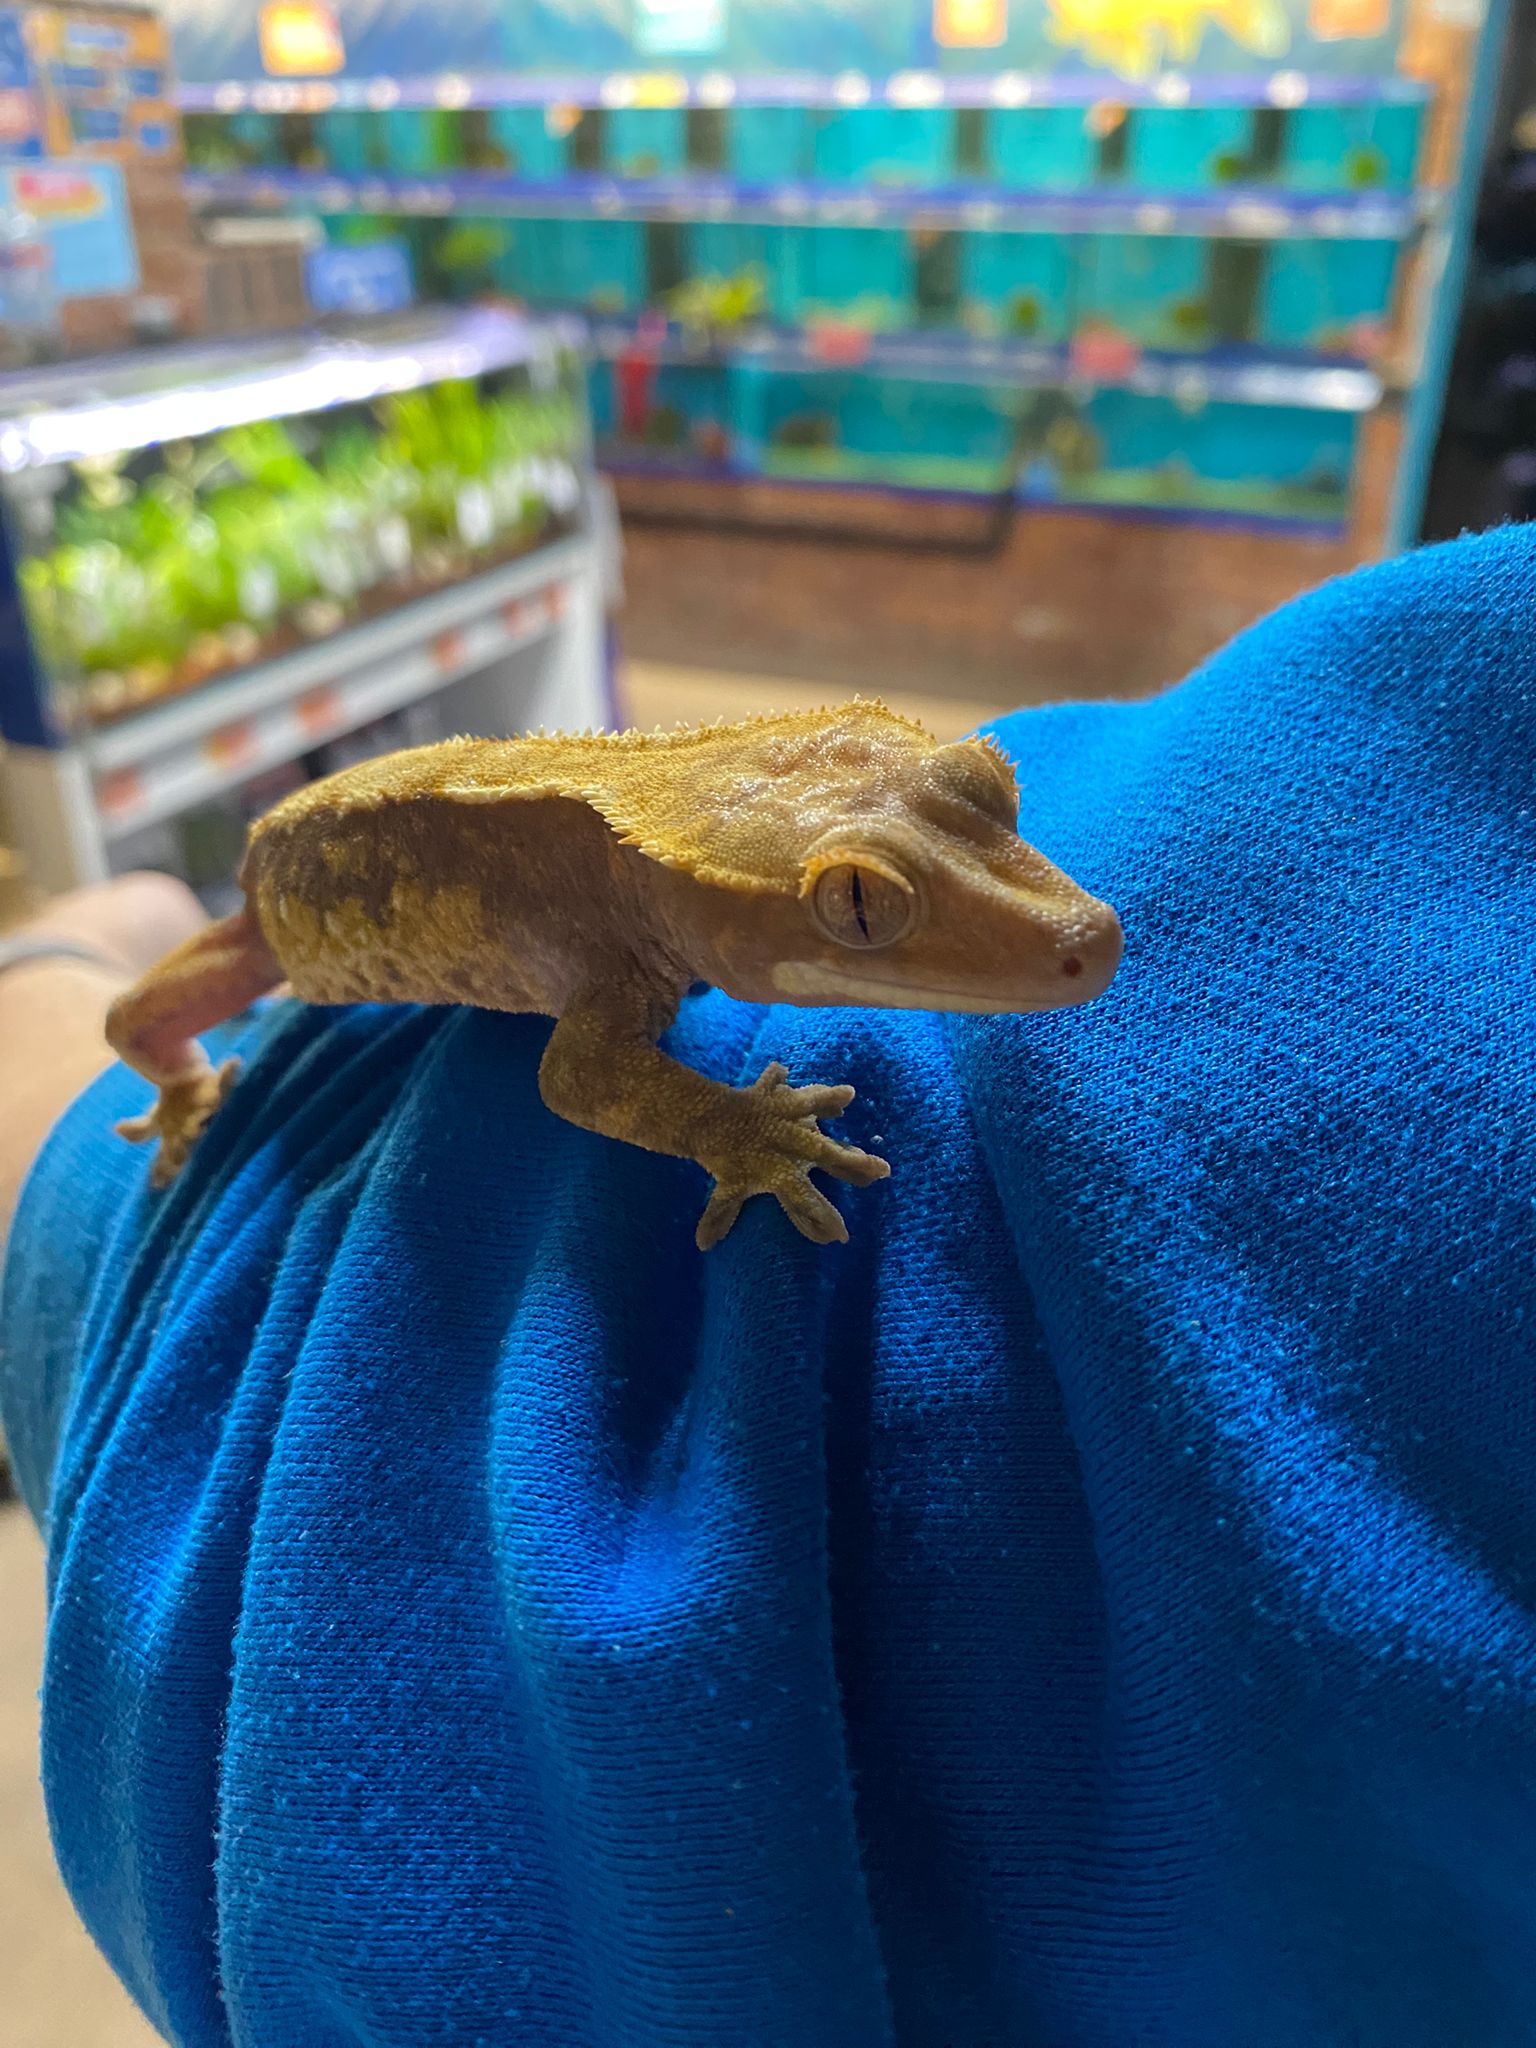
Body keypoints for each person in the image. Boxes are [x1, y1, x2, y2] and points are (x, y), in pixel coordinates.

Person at [2, 521, 1535, 2048]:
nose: (1069, 930)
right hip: (290, 906)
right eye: (861, 909)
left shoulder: (678, 879)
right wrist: (729, 1132)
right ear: (711, 903)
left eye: (979, 805)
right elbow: (586, 1081)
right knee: (143, 1008)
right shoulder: (624, 940)